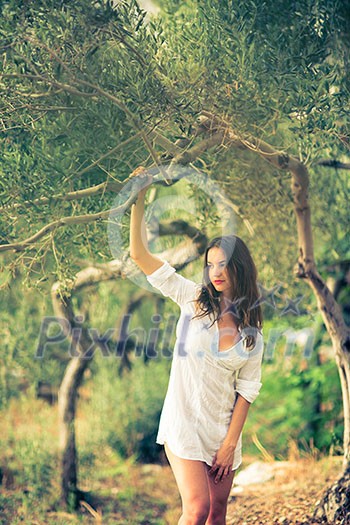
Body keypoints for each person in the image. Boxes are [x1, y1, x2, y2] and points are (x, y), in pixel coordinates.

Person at [129, 177, 264, 525]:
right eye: (210, 264)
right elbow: (140, 255)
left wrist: (230, 443)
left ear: (240, 267)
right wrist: (139, 197)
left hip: (221, 432)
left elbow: (246, 391)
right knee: (197, 510)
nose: (215, 272)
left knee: (217, 514)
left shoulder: (252, 335)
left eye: (223, 264)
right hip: (184, 424)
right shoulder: (193, 301)